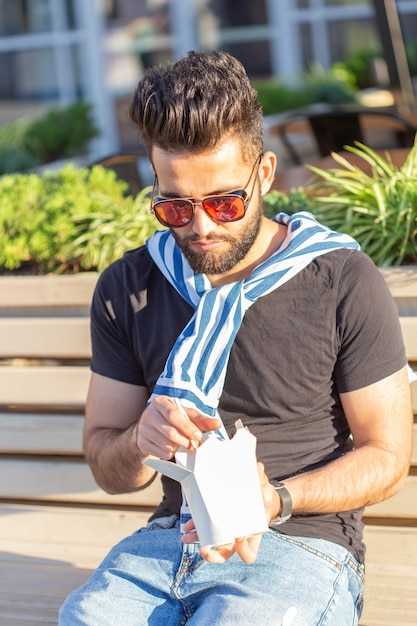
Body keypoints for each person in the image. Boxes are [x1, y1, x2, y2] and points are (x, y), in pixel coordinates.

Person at [59, 51, 413, 626]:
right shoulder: (130, 286)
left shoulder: (341, 278)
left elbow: (389, 457)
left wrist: (275, 499)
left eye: (225, 202)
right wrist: (139, 442)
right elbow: (107, 463)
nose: (201, 227)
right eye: (175, 206)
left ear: (265, 173)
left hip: (300, 543)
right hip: (167, 543)